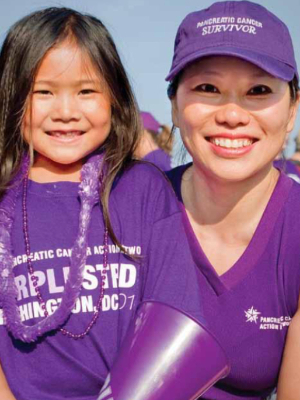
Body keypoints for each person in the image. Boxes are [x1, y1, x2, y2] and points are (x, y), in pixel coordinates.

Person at [0, 8, 206, 400]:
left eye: (87, 91)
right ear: (12, 95)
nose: (65, 112)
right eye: (43, 92)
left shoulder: (144, 189)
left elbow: (177, 315)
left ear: (115, 97)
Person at [166, 1, 300, 399]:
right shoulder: (126, 207)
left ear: (293, 109)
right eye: (208, 88)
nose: (232, 114)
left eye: (258, 90)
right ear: (174, 105)